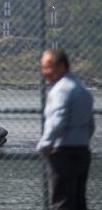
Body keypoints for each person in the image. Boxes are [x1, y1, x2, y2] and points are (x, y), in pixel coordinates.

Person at [37, 49, 95, 210]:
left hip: (63, 153)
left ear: (62, 66)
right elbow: (91, 126)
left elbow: (57, 121)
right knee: (79, 201)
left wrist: (45, 145)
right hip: (82, 152)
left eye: (48, 67)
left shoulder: (61, 90)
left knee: (62, 202)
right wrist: (81, 142)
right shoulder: (82, 90)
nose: (44, 72)